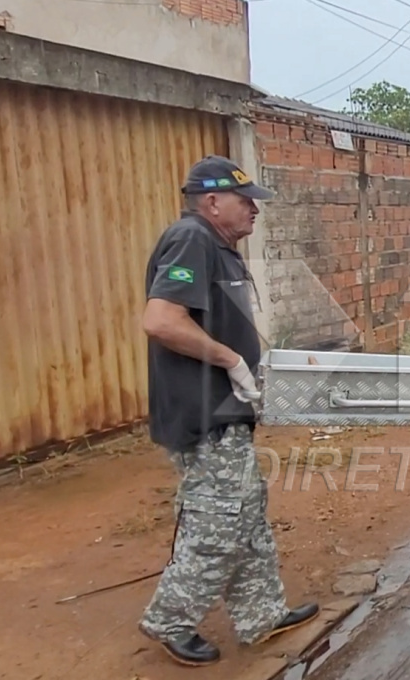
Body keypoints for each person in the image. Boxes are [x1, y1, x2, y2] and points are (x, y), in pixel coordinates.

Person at [137, 155, 318, 666]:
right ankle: (171, 618)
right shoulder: (191, 238)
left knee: (246, 514)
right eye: (246, 200)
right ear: (213, 201)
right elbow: (161, 321)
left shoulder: (220, 249)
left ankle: (260, 613)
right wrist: (233, 360)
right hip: (201, 412)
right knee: (220, 520)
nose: (255, 210)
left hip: (225, 411)